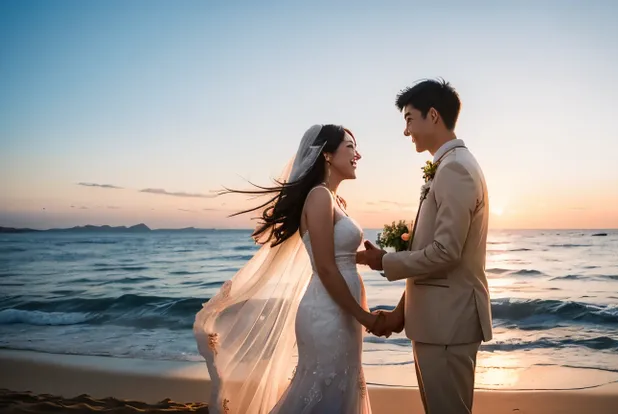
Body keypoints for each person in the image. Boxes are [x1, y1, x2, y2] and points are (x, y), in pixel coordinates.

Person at [194, 124, 377, 414]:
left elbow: (336, 257)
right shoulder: (319, 197)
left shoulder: (335, 200)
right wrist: (365, 316)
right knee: (324, 387)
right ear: (327, 154)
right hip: (327, 312)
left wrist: (369, 259)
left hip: (341, 310)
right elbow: (326, 269)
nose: (358, 155)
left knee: (342, 384)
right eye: (350, 147)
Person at [358, 79, 493, 414]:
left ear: (432, 115)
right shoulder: (448, 166)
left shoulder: (456, 168)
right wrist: (401, 314)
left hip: (448, 325)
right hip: (436, 323)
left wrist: (385, 261)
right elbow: (434, 259)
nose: (406, 131)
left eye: (408, 119)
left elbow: (446, 253)